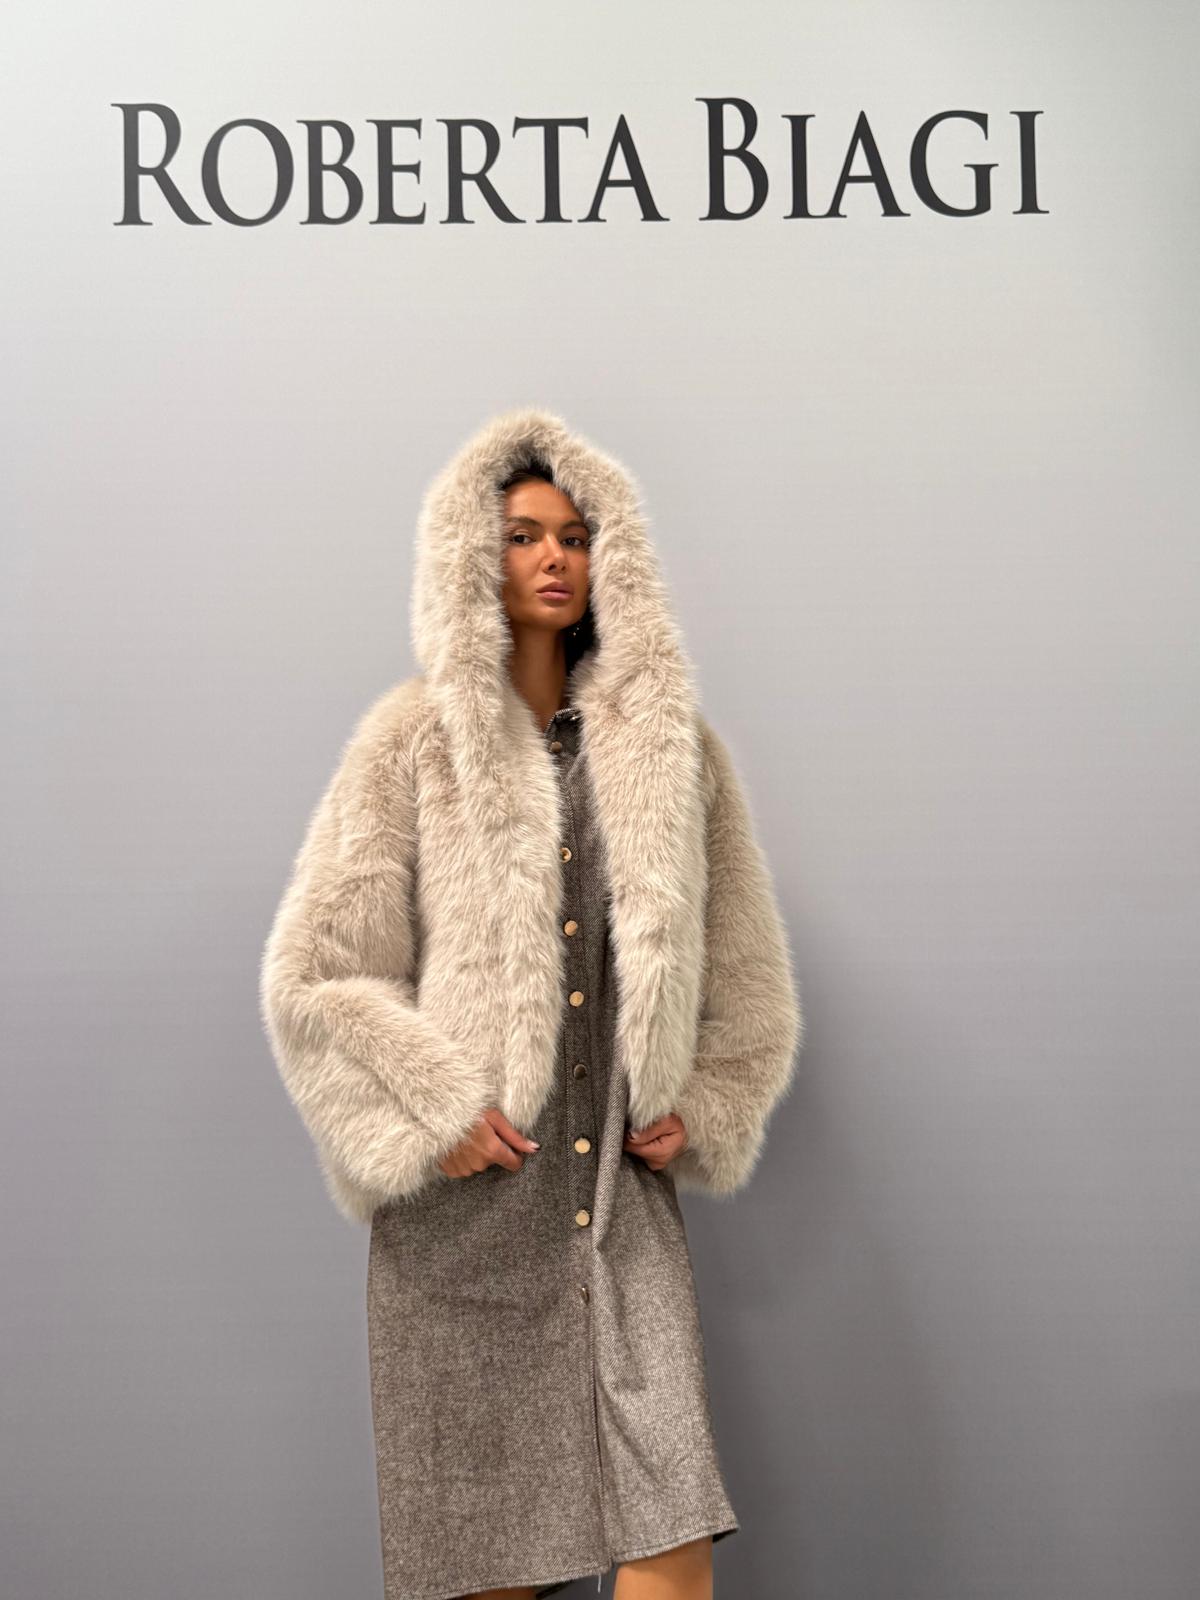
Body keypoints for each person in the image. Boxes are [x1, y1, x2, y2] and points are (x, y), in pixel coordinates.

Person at [259, 408, 803, 1599]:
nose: (554, 556)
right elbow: (314, 976)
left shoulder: (675, 752)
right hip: (470, 1225)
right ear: (472, 555)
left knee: (670, 1537)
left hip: (617, 1202)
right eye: (522, 535)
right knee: (497, 1559)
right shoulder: (412, 743)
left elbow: (747, 967)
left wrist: (709, 1102)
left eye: (575, 534)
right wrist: (432, 1112)